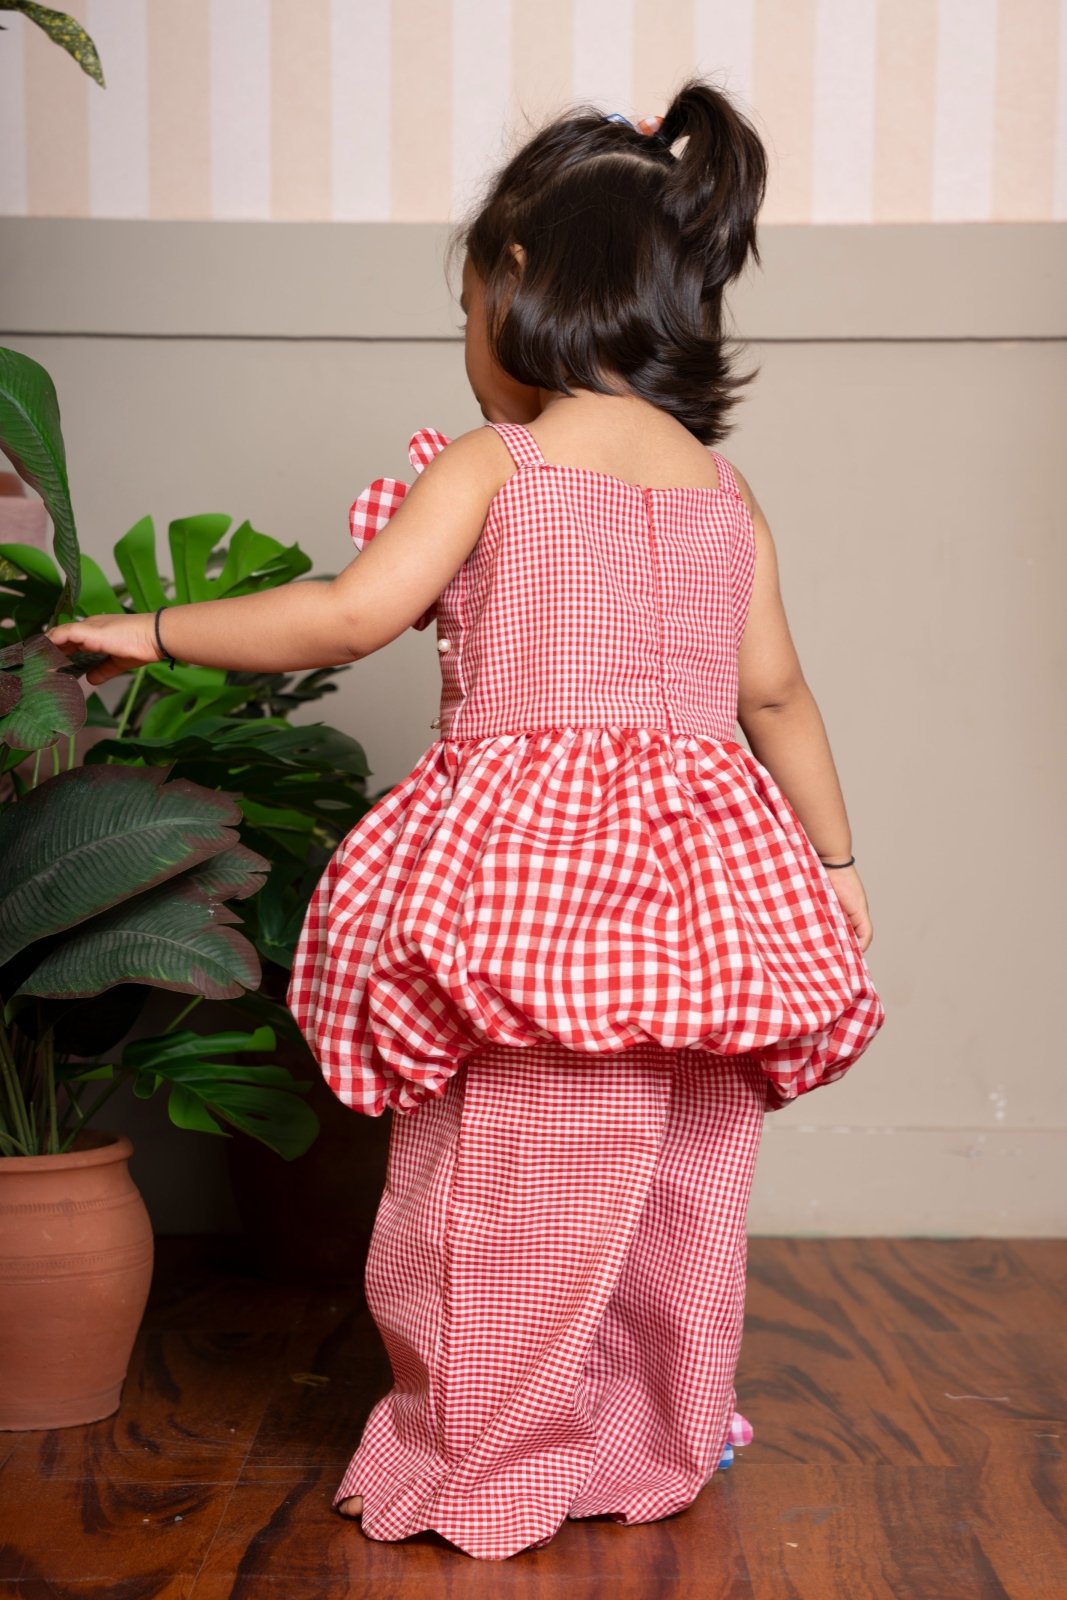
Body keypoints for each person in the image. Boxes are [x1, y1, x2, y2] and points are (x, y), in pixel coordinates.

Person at [47, 79, 885, 1562]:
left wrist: (154, 629)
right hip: (706, 900)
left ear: (521, 287)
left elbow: (352, 612)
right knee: (670, 1186)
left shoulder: (497, 464)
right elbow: (781, 701)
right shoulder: (724, 497)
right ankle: (654, 1435)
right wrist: (835, 865)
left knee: (498, 1194)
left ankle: (485, 1463)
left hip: (538, 902)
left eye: (467, 302)